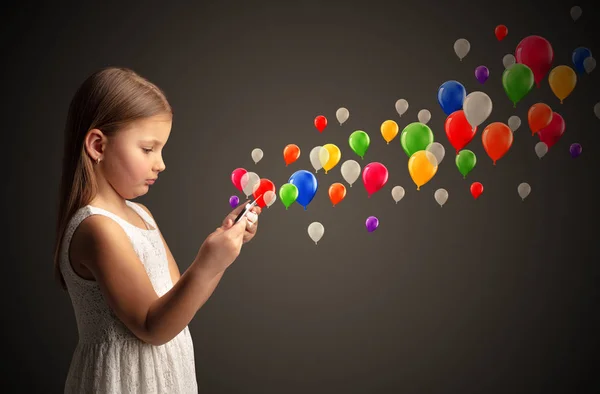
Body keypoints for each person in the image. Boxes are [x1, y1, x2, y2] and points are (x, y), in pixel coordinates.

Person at [52, 66, 261, 393]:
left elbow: (177, 306)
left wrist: (222, 255)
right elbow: (153, 326)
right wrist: (211, 261)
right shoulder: (97, 228)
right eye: (148, 148)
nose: (160, 163)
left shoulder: (142, 215)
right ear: (97, 146)